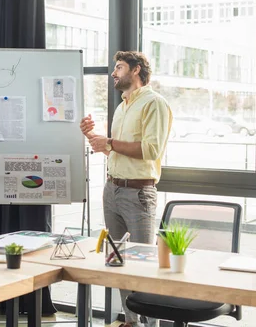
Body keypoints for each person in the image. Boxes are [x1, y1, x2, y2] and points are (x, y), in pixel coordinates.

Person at [80, 51, 172, 327]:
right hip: (113, 190)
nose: (113, 73)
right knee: (117, 262)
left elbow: (150, 149)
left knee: (143, 265)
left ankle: (151, 324)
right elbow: (116, 151)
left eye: (119, 67)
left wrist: (108, 142)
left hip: (139, 194)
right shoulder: (122, 107)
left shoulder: (154, 103)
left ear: (136, 70)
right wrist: (95, 139)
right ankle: (131, 322)